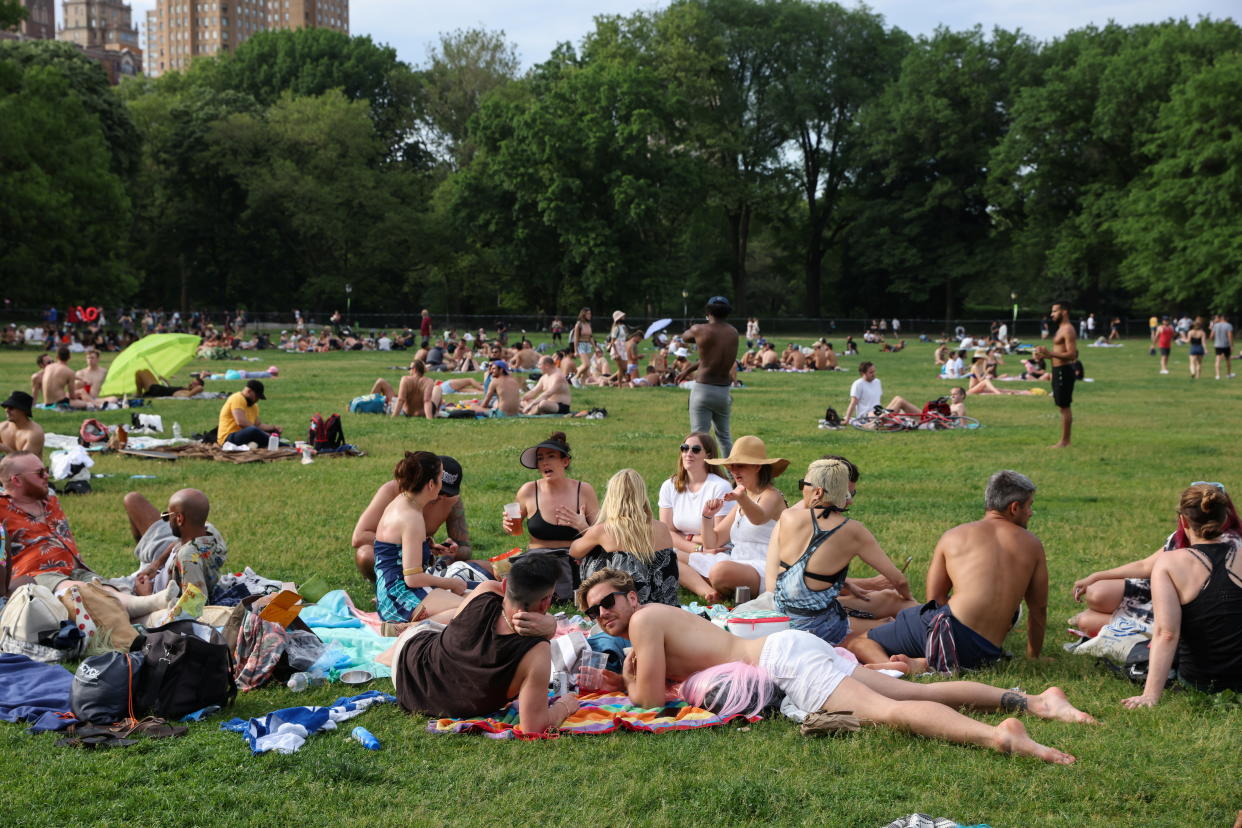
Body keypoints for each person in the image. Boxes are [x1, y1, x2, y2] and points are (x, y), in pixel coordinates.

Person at [581, 570, 1092, 764]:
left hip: (785, 659)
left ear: (630, 596)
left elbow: (647, 701)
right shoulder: (651, 622)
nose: (602, 614)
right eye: (593, 611)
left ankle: (1001, 736)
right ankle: (1034, 700)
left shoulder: (645, 618)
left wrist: (627, 678)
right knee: (909, 694)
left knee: (889, 711)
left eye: (608, 602)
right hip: (792, 649)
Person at [850, 471, 1048, 673]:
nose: (1030, 512)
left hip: (949, 633)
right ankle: (921, 662)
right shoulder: (1033, 545)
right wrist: (1034, 656)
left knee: (860, 642)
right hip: (988, 651)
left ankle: (893, 668)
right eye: (1029, 505)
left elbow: (935, 598)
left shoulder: (954, 536)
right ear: (1014, 507)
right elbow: (1038, 608)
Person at [383, 554, 576, 735]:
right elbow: (533, 727)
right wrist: (565, 706)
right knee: (446, 624)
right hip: (432, 693)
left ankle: (410, 627)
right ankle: (412, 626)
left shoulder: (487, 590)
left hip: (406, 675)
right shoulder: (538, 652)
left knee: (454, 616)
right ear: (545, 602)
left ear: (506, 584)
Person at [0, 452, 180, 619]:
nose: (47, 476)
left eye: (46, 470)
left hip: (77, 570)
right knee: (77, 591)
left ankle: (145, 606)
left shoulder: (50, 498)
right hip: (37, 576)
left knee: (103, 588)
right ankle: (148, 604)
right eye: (40, 473)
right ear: (16, 480)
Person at [769, 459, 913, 644]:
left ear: (818, 491)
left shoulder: (788, 517)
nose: (802, 489)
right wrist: (907, 597)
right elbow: (899, 580)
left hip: (783, 620)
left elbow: (799, 575)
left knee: (884, 602)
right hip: (820, 627)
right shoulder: (852, 530)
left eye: (803, 485)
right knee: (895, 617)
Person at [1122, 483, 1242, 706]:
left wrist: (1150, 696)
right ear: (1225, 518)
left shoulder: (1169, 563)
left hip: (1200, 681)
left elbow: (1166, 634)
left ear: (1183, 521)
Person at [373, 452, 471, 624]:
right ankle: (409, 629)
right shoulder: (412, 517)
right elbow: (413, 578)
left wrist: (427, 548)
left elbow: (394, 551)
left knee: (480, 602)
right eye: (441, 478)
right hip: (399, 599)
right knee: (471, 613)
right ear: (431, 484)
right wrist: (451, 583)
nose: (442, 486)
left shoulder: (403, 501)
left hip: (389, 594)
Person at [503, 433, 599, 598]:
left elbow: (602, 535)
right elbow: (513, 529)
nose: (545, 462)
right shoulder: (528, 490)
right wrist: (507, 526)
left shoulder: (583, 490)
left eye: (551, 456)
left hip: (574, 560)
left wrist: (583, 526)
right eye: (540, 458)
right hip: (538, 561)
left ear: (565, 461)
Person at [690, 436, 787, 598]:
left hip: (764, 567)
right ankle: (711, 591)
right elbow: (712, 542)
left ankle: (717, 584)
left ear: (757, 467)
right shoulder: (743, 497)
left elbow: (759, 518)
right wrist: (707, 517)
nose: (733, 471)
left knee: (720, 571)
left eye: (740, 465)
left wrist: (741, 498)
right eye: (731, 466)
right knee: (675, 557)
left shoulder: (772, 496)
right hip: (736, 561)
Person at [352, 456, 473, 582]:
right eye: (441, 490)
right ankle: (386, 583)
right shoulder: (393, 491)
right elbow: (359, 537)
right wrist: (414, 546)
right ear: (428, 481)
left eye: (449, 493)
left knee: (476, 566)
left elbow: (465, 549)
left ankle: (429, 576)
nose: (441, 497)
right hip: (392, 556)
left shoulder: (452, 501)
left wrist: (452, 549)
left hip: (420, 561)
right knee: (365, 554)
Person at [570, 469, 679, 606]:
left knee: (591, 552)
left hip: (627, 606)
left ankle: (597, 604)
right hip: (665, 606)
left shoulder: (604, 530)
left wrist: (584, 527)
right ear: (642, 495)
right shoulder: (662, 528)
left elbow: (574, 551)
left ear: (611, 497)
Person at [657, 432, 735, 602]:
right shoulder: (669, 486)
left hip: (716, 551)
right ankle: (708, 593)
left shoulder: (720, 486)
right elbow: (665, 532)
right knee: (665, 555)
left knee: (667, 557)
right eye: (684, 448)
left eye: (695, 449)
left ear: (708, 455)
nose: (688, 453)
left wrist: (687, 538)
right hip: (689, 549)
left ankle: (711, 589)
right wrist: (696, 547)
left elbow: (718, 538)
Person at [120, 489, 227, 598]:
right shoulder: (209, 531)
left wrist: (146, 596)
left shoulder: (188, 560)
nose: (166, 520)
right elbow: (181, 541)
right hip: (162, 567)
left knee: (104, 590)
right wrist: (157, 564)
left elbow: (193, 608)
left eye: (167, 516)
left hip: (154, 594)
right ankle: (144, 557)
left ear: (180, 519)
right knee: (132, 499)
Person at [676, 296, 739, 456]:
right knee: (724, 437)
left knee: (698, 438)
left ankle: (700, 476)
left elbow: (684, 337)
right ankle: (732, 477)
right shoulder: (733, 333)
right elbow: (711, 359)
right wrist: (688, 370)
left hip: (703, 389)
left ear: (707, 311)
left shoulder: (700, 329)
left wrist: (695, 327)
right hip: (723, 391)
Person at [1034, 301, 1077, 448]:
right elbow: (1059, 353)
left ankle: (1065, 441)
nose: (1051, 314)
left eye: (1054, 311)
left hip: (1064, 371)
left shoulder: (1068, 330)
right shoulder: (1060, 329)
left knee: (1065, 406)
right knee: (1061, 405)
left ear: (1064, 312)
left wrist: (1049, 352)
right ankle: (1065, 440)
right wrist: (1044, 356)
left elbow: (1072, 355)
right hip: (1057, 370)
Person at [216, 380, 279, 446]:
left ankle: (276, 443)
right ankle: (284, 446)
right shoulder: (237, 398)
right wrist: (262, 433)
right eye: (257, 396)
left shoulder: (254, 406)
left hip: (243, 436)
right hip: (227, 439)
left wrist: (273, 428)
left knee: (264, 433)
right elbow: (241, 422)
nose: (257, 400)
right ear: (249, 391)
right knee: (253, 431)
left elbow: (258, 425)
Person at [0, 392, 44, 457]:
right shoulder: (2, 427)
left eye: (11, 408)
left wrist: (6, 449)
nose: (7, 410)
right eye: (6, 407)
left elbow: (26, 462)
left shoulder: (34, 433)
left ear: (23, 410)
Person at [1211, 314, 1234, 379]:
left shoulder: (1215, 325)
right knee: (1228, 360)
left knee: (1218, 360)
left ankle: (1217, 375)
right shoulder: (1228, 325)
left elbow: (1211, 336)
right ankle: (1228, 374)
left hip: (1217, 345)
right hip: (1226, 345)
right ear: (1227, 319)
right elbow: (1230, 336)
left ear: (1221, 318)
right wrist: (1231, 345)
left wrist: (1214, 341)